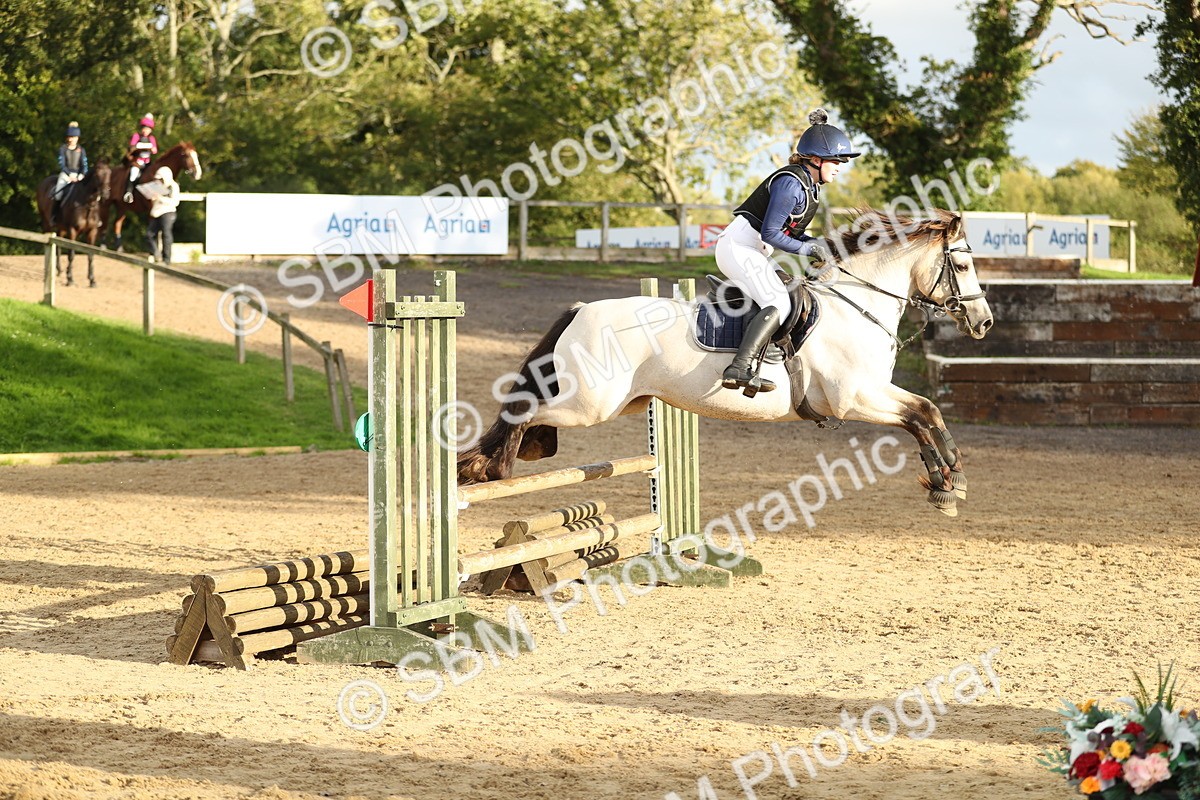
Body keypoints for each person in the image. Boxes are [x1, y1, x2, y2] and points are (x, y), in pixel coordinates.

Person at [715, 108, 861, 392]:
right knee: (778, 302)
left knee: (791, 290)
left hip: (755, 250)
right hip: (738, 247)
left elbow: (791, 233)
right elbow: (771, 233)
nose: (840, 166)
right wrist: (808, 251)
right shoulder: (791, 184)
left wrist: (819, 245)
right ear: (816, 160)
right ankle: (740, 367)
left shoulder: (809, 186)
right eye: (835, 160)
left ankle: (767, 349)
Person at [51, 121, 89, 226]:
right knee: (58, 194)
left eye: (74, 137)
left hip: (79, 176)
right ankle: (54, 216)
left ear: (77, 138)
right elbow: (62, 165)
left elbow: (84, 165)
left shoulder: (81, 150)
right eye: (70, 137)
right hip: (66, 175)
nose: (72, 139)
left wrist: (81, 175)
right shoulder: (63, 149)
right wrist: (69, 175)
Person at [145, 165, 179, 263]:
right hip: (157, 212)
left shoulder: (173, 186)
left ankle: (166, 259)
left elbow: (175, 202)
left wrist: (160, 198)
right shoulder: (157, 187)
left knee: (166, 234)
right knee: (149, 234)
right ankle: (156, 253)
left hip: (168, 212)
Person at [123, 113, 158, 203]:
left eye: (148, 129)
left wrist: (149, 147)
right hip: (137, 162)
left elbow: (155, 150)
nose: (145, 131)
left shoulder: (152, 138)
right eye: (144, 128)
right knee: (133, 173)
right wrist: (141, 146)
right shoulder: (136, 136)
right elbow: (132, 147)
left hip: (147, 162)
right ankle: (128, 192)